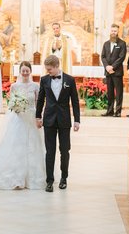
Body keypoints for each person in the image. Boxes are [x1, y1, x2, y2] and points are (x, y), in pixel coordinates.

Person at [0, 61, 45, 189]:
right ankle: (16, 175)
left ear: (30, 71)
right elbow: (11, 103)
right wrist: (16, 107)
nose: (25, 73)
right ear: (20, 71)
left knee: (33, 145)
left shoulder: (36, 86)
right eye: (23, 71)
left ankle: (33, 176)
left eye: (27, 71)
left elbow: (38, 103)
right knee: (17, 145)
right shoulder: (14, 86)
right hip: (18, 118)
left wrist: (38, 117)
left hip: (31, 117)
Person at [36, 55, 80, 192]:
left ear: (56, 66)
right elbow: (40, 100)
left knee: (64, 150)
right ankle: (49, 181)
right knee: (50, 151)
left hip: (64, 120)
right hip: (48, 120)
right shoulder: (44, 80)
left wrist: (77, 120)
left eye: (50, 69)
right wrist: (38, 116)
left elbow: (75, 101)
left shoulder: (69, 80)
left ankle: (64, 178)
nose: (48, 72)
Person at [100, 24, 127, 117]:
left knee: (119, 92)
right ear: (110, 31)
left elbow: (121, 57)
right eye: (112, 31)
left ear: (118, 32)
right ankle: (109, 110)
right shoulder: (106, 43)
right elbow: (103, 56)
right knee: (110, 92)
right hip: (108, 72)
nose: (113, 32)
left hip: (117, 72)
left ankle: (118, 111)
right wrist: (107, 66)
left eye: (115, 31)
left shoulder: (122, 43)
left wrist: (112, 67)